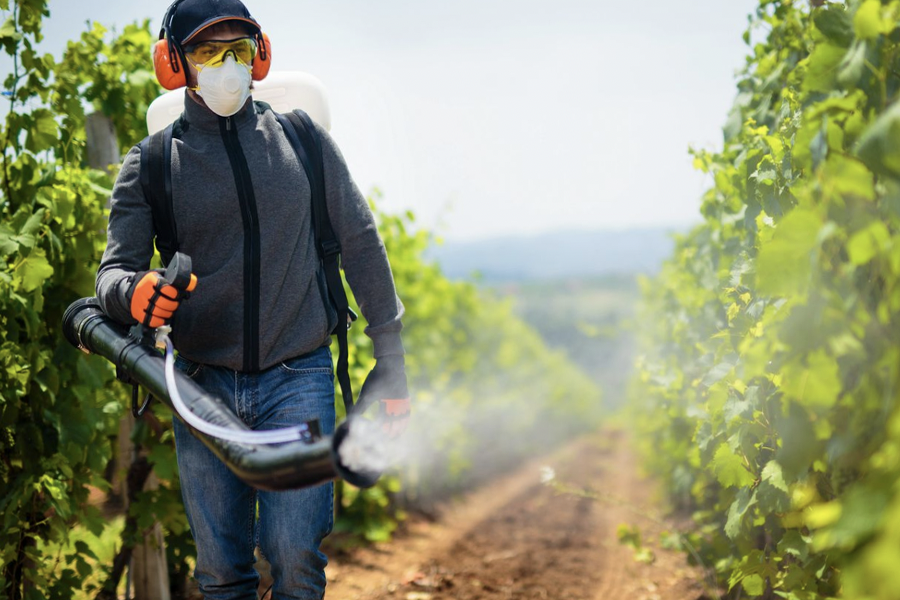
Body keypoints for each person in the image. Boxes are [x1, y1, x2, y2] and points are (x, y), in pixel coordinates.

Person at [95, 0, 410, 597]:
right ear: (174, 65)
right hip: (201, 388)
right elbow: (113, 275)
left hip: (300, 376)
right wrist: (132, 293)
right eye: (208, 53)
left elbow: (362, 242)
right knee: (221, 570)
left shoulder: (302, 141)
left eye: (237, 49)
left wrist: (390, 362)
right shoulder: (152, 164)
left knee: (295, 557)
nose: (226, 65)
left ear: (259, 55)